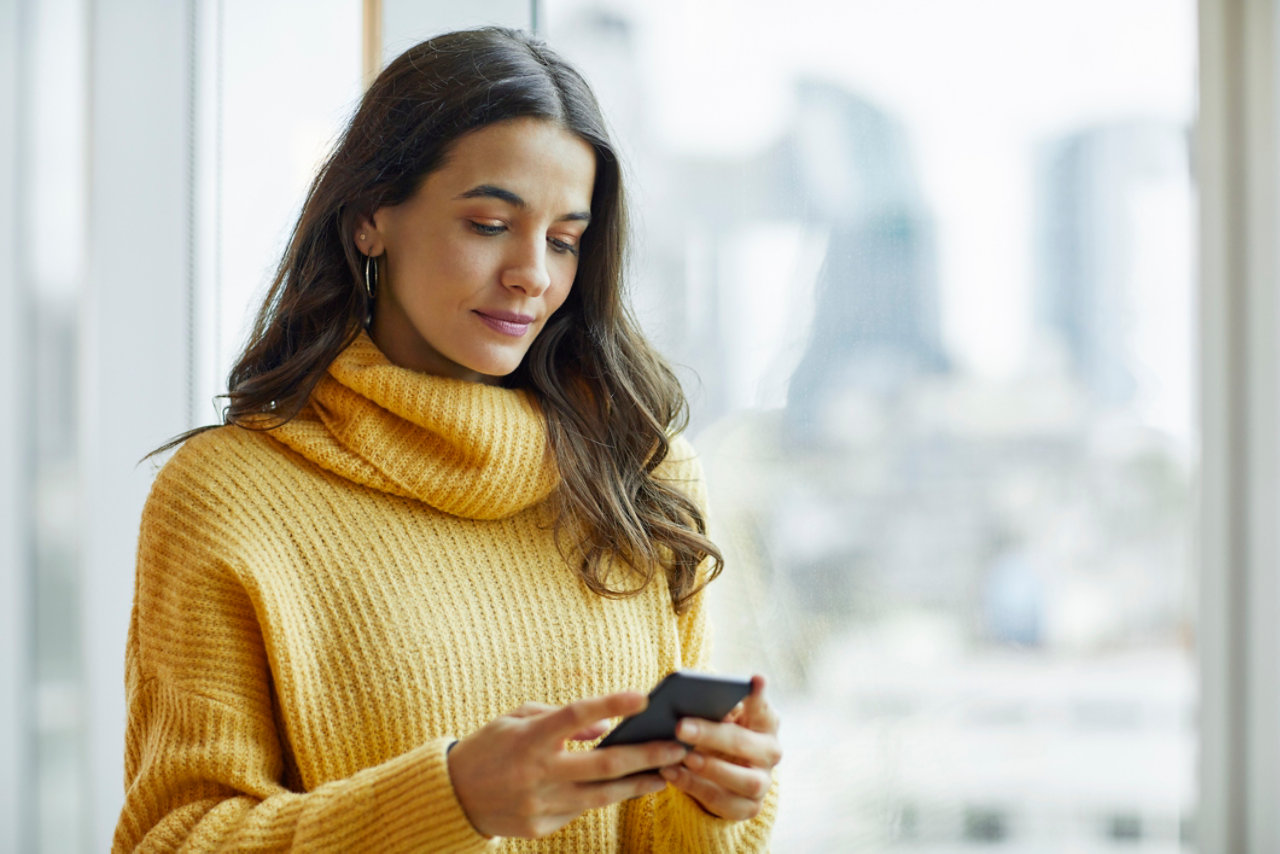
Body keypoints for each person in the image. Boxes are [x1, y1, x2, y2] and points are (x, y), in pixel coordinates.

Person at [113, 26, 781, 853]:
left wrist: (716, 804)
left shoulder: (636, 474)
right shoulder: (230, 494)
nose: (534, 273)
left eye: (565, 240)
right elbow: (175, 841)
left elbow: (651, 831)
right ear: (370, 219)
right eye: (490, 223)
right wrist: (452, 800)